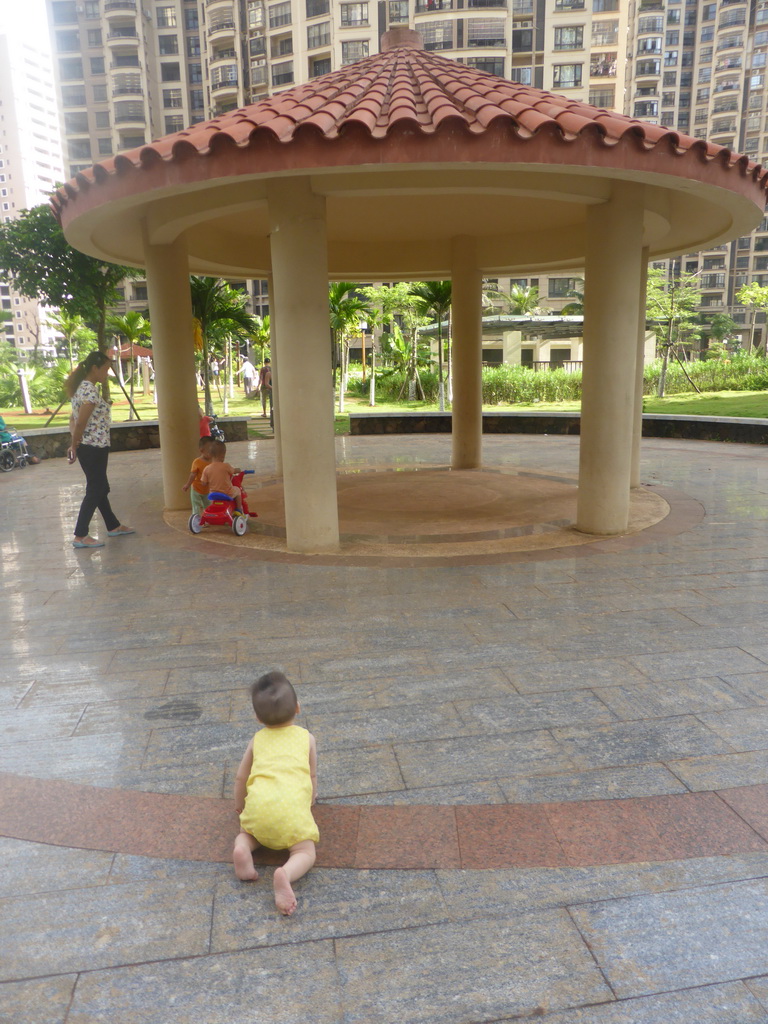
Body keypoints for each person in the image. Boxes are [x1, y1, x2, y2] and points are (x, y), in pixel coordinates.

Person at [233, 671, 318, 916]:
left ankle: (243, 850)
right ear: (298, 708)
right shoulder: (307, 738)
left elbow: (241, 777)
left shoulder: (257, 739)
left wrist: (241, 807)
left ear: (258, 718)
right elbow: (311, 776)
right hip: (292, 815)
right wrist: (309, 802)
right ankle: (286, 873)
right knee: (305, 851)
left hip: (258, 811)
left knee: (249, 833)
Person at [66, 351, 134, 549]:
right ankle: (80, 535)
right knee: (96, 488)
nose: (107, 373)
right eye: (105, 369)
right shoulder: (89, 391)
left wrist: (76, 442)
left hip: (92, 446)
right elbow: (80, 423)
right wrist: (74, 444)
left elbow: (73, 419)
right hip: (93, 447)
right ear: (94, 368)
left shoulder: (82, 388)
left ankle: (113, 526)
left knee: (100, 487)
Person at [200, 439, 244, 515]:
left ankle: (215, 511)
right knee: (237, 490)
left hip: (213, 493)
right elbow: (233, 471)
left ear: (210, 455)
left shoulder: (206, 469)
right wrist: (239, 470)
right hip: (227, 492)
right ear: (223, 455)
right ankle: (239, 508)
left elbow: (203, 483)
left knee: (213, 498)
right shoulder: (226, 466)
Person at [182, 435, 213, 515]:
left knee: (208, 505)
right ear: (202, 450)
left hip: (207, 489)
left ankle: (207, 519)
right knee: (196, 506)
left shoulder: (213, 462)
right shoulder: (197, 462)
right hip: (196, 488)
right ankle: (196, 520)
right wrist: (187, 485)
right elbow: (193, 474)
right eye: (210, 451)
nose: (212, 453)